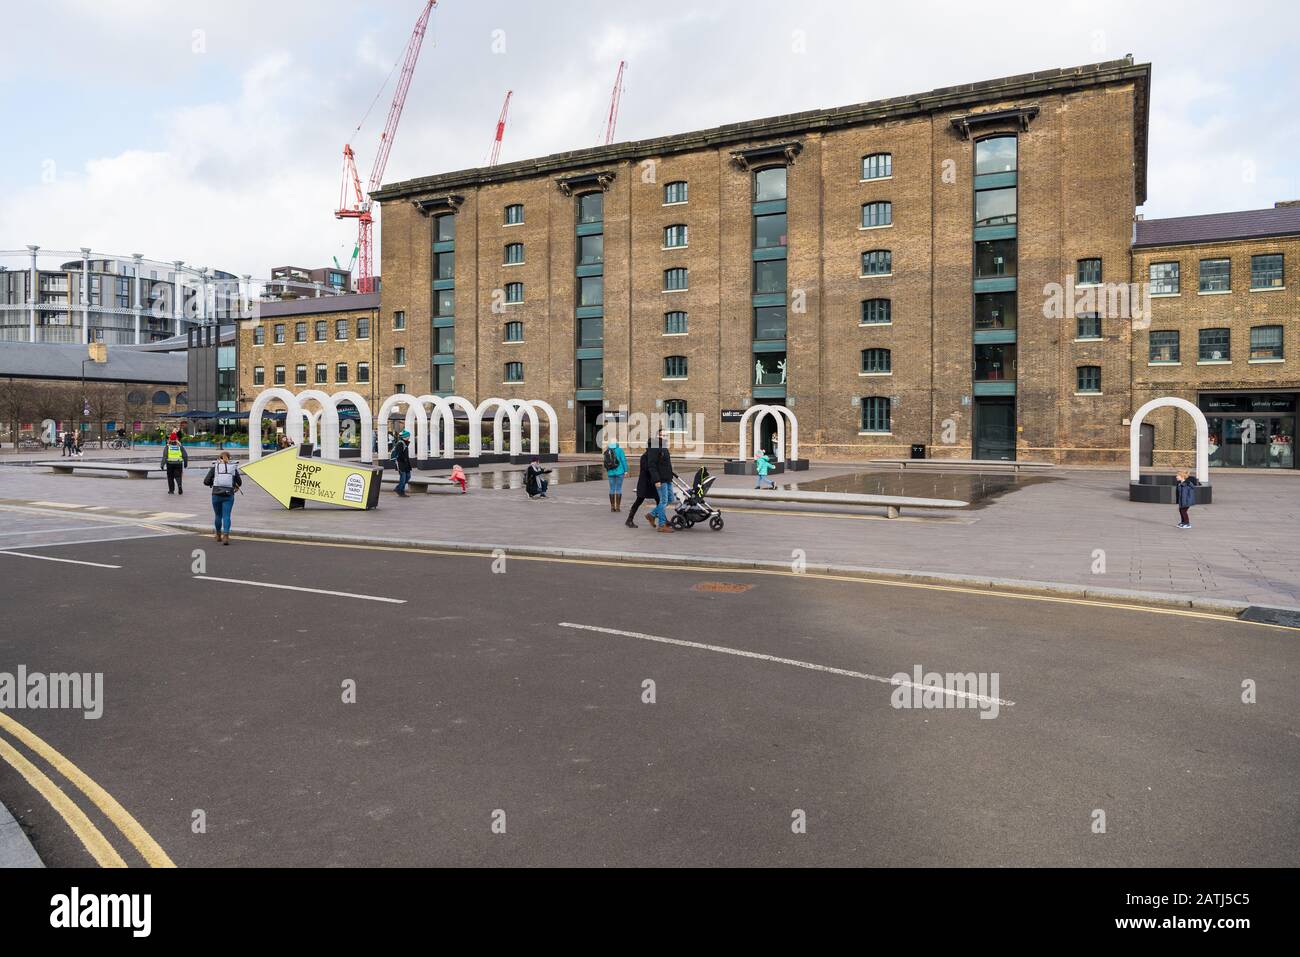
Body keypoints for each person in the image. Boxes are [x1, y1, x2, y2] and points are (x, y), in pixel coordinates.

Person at [203, 450, 242, 545]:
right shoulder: (233, 468)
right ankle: (226, 536)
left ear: (219, 458)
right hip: (229, 495)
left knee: (218, 515)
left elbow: (206, 481)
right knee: (226, 515)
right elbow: (240, 482)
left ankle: (218, 535)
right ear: (229, 458)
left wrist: (214, 482)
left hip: (216, 494)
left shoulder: (215, 467)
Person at [625, 444, 658, 529]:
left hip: (652, 483)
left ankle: (660, 519)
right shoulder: (644, 457)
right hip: (645, 483)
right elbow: (647, 469)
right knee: (638, 501)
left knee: (660, 501)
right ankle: (629, 519)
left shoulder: (653, 456)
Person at [650, 431, 676, 533]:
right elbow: (652, 465)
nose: (664, 437)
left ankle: (652, 514)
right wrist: (656, 480)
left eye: (665, 435)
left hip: (667, 478)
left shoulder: (664, 447)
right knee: (664, 501)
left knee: (670, 499)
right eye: (661, 435)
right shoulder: (655, 447)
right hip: (660, 479)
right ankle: (662, 525)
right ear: (657, 436)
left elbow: (665, 464)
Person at [603, 440, 628, 512]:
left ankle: (612, 507)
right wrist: (626, 470)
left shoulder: (607, 451)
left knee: (612, 489)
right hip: (620, 472)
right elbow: (623, 460)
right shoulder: (620, 450)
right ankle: (618, 507)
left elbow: (605, 462)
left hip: (610, 472)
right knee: (619, 488)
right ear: (617, 443)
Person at [392, 429, 413, 497]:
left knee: (408, 476)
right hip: (401, 463)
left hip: (405, 463)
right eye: (408, 436)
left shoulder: (404, 443)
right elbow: (399, 454)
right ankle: (401, 491)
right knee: (403, 478)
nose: (409, 437)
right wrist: (404, 460)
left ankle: (398, 488)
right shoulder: (400, 443)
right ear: (404, 436)